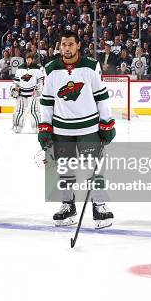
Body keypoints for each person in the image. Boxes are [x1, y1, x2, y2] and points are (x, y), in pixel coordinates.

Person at [39, 31, 116, 228]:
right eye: (63, 44)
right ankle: (67, 205)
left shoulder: (90, 66)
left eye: (71, 44)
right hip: (61, 129)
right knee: (64, 168)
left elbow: (101, 96)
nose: (67, 48)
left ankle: (99, 204)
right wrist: (44, 127)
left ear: (78, 45)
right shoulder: (50, 69)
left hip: (88, 127)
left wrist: (106, 122)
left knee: (94, 168)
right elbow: (46, 102)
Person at [11, 52, 45, 133]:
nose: (28, 61)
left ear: (33, 60)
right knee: (19, 110)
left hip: (33, 93)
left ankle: (36, 127)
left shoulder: (38, 68)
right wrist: (15, 89)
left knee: (34, 111)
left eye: (30, 59)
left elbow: (40, 81)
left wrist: (38, 90)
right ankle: (17, 126)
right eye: (27, 59)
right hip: (22, 93)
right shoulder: (20, 68)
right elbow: (16, 81)